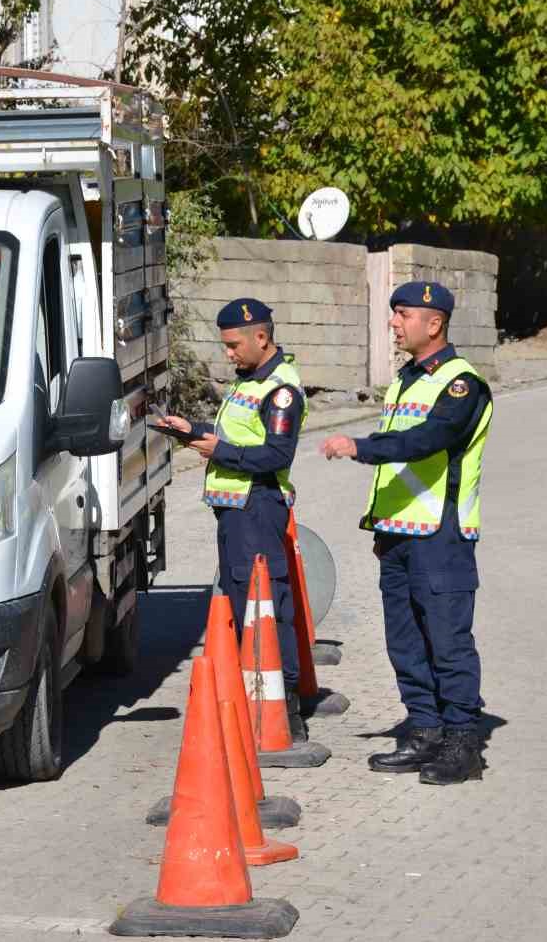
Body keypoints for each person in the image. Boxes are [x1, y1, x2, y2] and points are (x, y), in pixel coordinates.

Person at [320, 280, 493, 786]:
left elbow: (426, 442)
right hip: (398, 534)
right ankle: (424, 730)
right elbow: (397, 461)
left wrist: (359, 446)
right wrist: (379, 523)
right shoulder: (406, 379)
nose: (393, 323)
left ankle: (463, 742)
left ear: (433, 323)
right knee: (404, 640)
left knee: (447, 639)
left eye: (401, 315)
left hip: (442, 535)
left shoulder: (461, 384)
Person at [158, 297, 310, 737]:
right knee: (244, 604)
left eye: (233, 345)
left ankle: (288, 710)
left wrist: (218, 451)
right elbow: (236, 434)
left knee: (264, 606)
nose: (227, 354)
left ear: (261, 337)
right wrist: (194, 431)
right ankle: (258, 699)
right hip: (236, 512)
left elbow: (278, 454)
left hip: (257, 507)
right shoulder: (249, 381)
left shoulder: (280, 389)